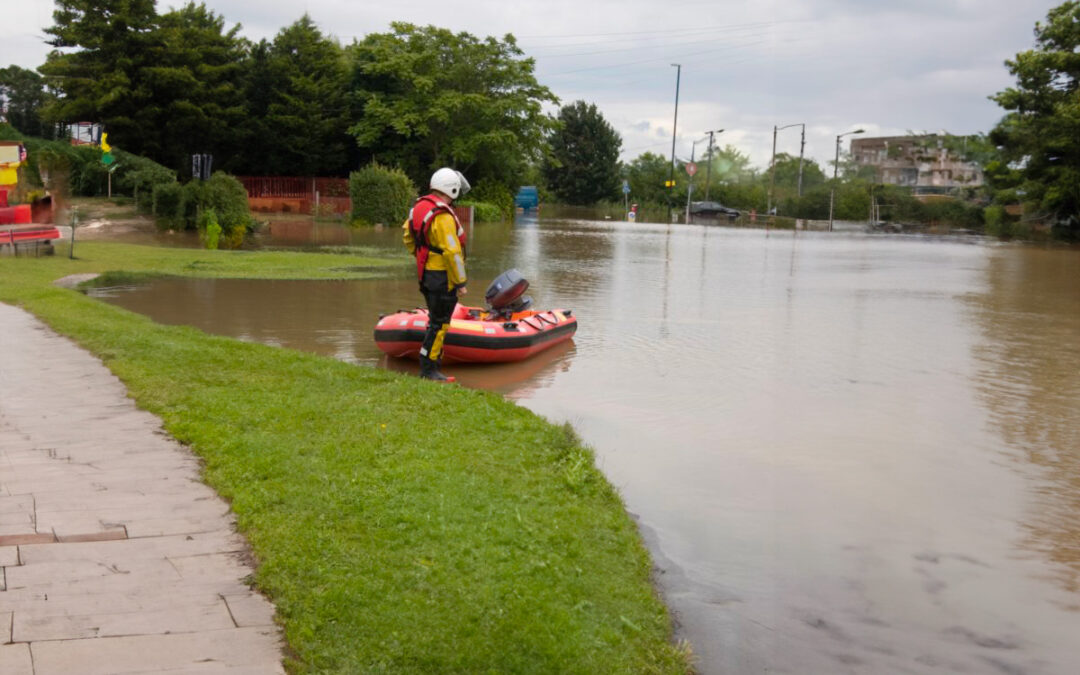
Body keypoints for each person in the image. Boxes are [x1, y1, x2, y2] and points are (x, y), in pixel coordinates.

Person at [403, 167, 471, 381]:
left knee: (435, 320)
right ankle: (429, 370)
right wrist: (461, 283)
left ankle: (429, 364)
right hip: (442, 277)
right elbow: (452, 252)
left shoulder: (419, 207)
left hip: (426, 274)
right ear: (450, 189)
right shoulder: (443, 216)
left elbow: (408, 235)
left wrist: (422, 255)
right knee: (440, 323)